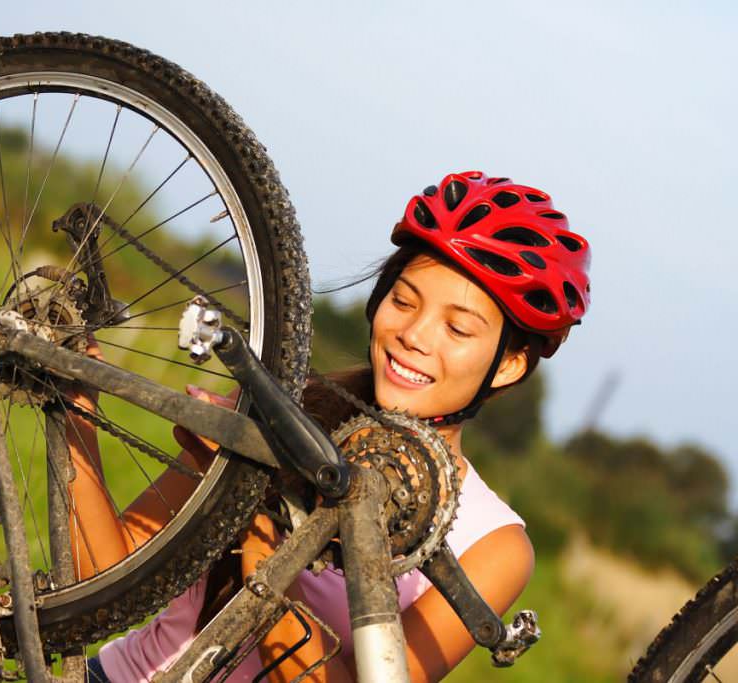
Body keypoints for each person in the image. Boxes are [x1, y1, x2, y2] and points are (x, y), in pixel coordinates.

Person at [67, 170, 591, 682]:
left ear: (508, 364)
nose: (413, 334)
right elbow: (101, 572)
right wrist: (73, 407)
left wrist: (253, 511)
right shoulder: (283, 406)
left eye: (457, 328)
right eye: (404, 301)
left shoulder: (493, 543)